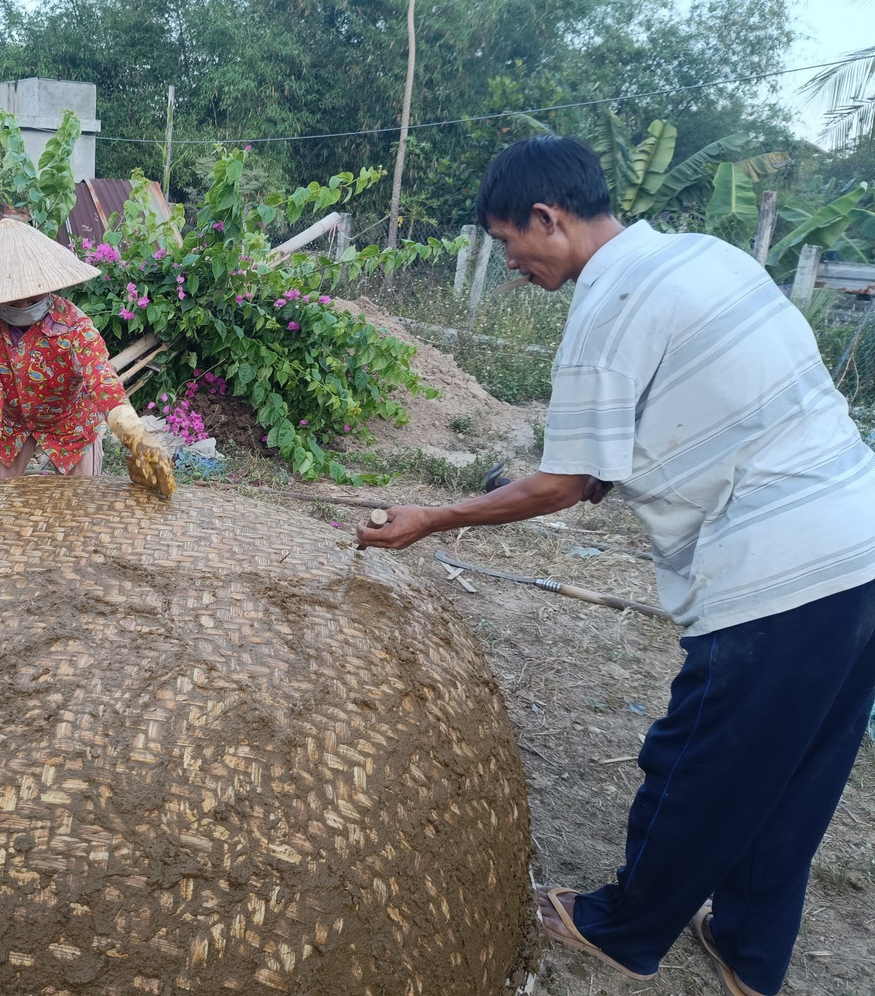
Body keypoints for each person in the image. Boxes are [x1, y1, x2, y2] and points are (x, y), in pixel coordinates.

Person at [356, 135, 875, 996]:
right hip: (861, 537)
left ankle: (623, 930)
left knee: (696, 760)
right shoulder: (705, 257)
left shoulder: (609, 308)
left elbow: (563, 484)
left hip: (779, 568)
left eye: (508, 242)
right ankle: (749, 950)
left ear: (547, 218)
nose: (511, 262)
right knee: (796, 768)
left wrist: (434, 519)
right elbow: (687, 415)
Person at [0, 217, 174, 497]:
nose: (23, 306)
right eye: (12, 301)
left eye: (33, 299)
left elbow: (101, 379)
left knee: (82, 502)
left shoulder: (73, 324)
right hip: (9, 423)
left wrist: (137, 436)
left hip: (69, 419)